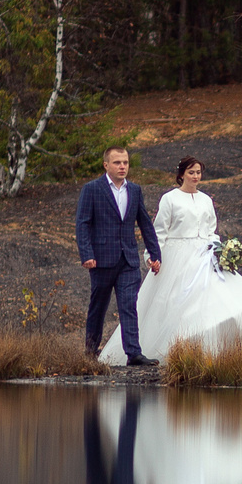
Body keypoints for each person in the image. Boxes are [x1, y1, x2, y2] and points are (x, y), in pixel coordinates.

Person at [134, 157, 242, 355]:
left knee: (218, 298)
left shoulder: (206, 199)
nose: (195, 176)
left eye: (198, 172)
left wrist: (218, 250)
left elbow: (211, 229)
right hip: (177, 255)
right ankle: (174, 347)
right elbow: (159, 231)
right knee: (176, 302)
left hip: (205, 255)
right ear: (181, 175)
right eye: (191, 172)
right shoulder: (170, 198)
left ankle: (218, 346)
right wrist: (152, 256)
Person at [77, 146, 164, 366]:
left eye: (125, 162)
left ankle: (133, 353)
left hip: (128, 260)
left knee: (128, 305)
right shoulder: (92, 189)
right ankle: (90, 352)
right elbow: (83, 224)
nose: (122, 166)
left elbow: (144, 222)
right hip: (101, 260)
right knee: (98, 307)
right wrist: (86, 254)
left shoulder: (134, 190)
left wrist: (155, 253)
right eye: (117, 162)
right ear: (106, 165)